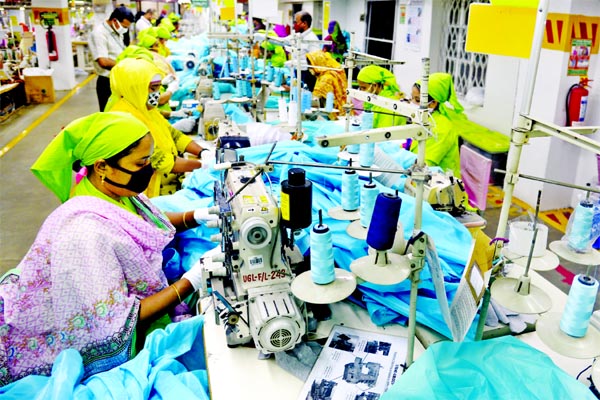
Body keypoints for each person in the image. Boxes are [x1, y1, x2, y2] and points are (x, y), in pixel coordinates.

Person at [0, 112, 207, 386]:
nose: (149, 169)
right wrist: (189, 281)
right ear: (102, 166)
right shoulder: (84, 232)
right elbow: (114, 324)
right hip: (48, 344)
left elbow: (145, 220)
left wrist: (199, 215)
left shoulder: (114, 191)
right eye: (141, 162)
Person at [106, 58, 207, 197]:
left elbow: (174, 135)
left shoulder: (147, 109)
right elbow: (161, 161)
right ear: (135, 88)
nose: (158, 93)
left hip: (167, 183)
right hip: (149, 190)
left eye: (159, 87)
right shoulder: (125, 120)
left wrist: (203, 152)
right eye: (153, 88)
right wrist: (205, 165)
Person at [409, 72, 462, 178]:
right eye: (412, 98)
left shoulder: (440, 128)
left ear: (433, 103)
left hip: (440, 184)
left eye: (417, 100)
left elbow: (424, 165)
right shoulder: (426, 119)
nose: (412, 102)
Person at [88, 6, 135, 111]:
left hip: (119, 79)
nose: (125, 29)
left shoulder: (117, 31)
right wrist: (127, 66)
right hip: (107, 82)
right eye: (124, 26)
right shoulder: (99, 33)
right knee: (109, 113)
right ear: (114, 20)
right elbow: (103, 61)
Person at [306, 50, 347, 118]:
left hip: (332, 114)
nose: (309, 69)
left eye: (311, 66)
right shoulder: (333, 72)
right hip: (342, 110)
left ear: (318, 63)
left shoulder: (326, 78)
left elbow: (316, 98)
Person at [292, 11, 320, 91]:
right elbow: (284, 41)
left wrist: (298, 62)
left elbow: (314, 60)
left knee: (305, 96)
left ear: (304, 23)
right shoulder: (300, 36)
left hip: (307, 74)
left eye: (296, 22)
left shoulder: (311, 38)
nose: (294, 25)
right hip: (299, 71)